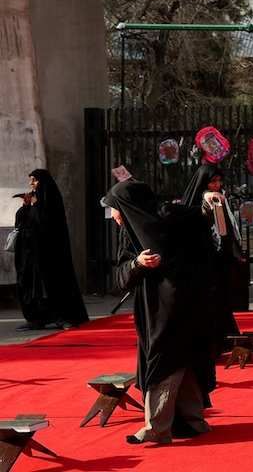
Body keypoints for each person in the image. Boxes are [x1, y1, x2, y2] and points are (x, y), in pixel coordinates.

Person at [104, 180, 211, 444]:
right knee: (179, 358)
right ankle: (191, 419)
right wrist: (137, 264)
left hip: (180, 303)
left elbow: (204, 227)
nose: (114, 215)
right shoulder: (131, 232)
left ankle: (157, 427)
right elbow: (119, 279)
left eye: (116, 208)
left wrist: (210, 205)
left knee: (164, 361)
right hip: (156, 306)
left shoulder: (173, 220)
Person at [12, 169, 89, 330]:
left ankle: (62, 317)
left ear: (43, 182)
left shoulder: (50, 199)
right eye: (30, 180)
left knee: (54, 284)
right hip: (31, 254)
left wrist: (35, 204)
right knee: (32, 286)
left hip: (50, 253)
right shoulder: (33, 200)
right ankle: (37, 318)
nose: (31, 183)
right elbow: (21, 222)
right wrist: (25, 206)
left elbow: (48, 223)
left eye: (34, 180)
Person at [181, 165, 242, 347]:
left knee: (221, 301)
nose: (217, 185)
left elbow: (226, 230)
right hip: (201, 260)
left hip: (219, 259)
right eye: (212, 181)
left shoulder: (219, 198)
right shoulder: (200, 200)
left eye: (218, 181)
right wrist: (206, 202)